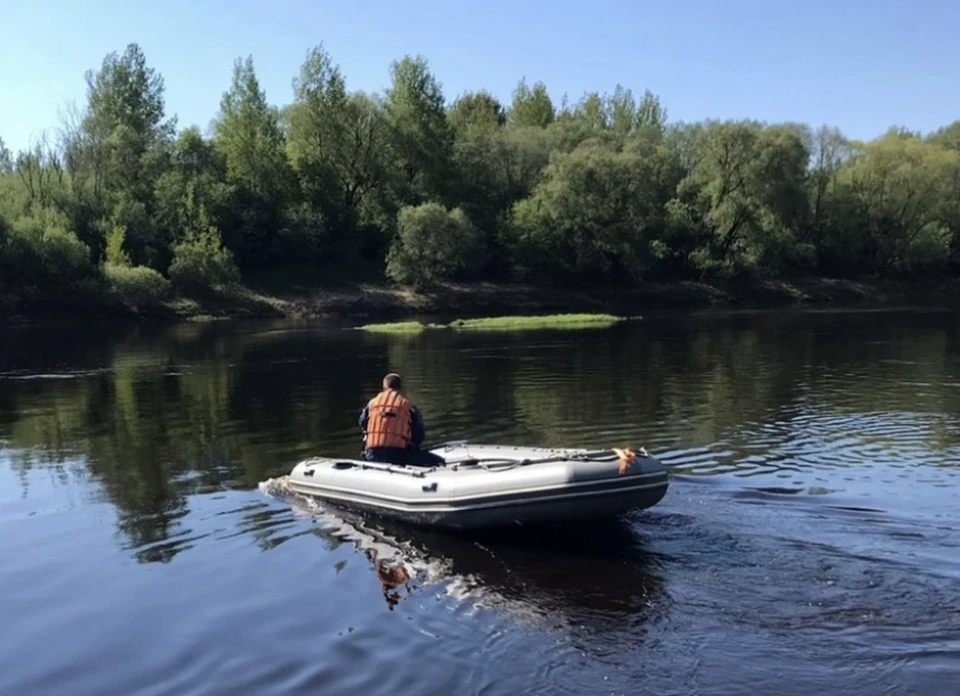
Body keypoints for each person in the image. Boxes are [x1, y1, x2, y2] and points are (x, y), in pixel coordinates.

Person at [359, 373, 445, 467]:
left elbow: (362, 423)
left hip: (372, 455)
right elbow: (419, 436)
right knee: (439, 461)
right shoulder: (409, 407)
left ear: (384, 388)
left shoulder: (371, 405)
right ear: (400, 388)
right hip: (399, 456)